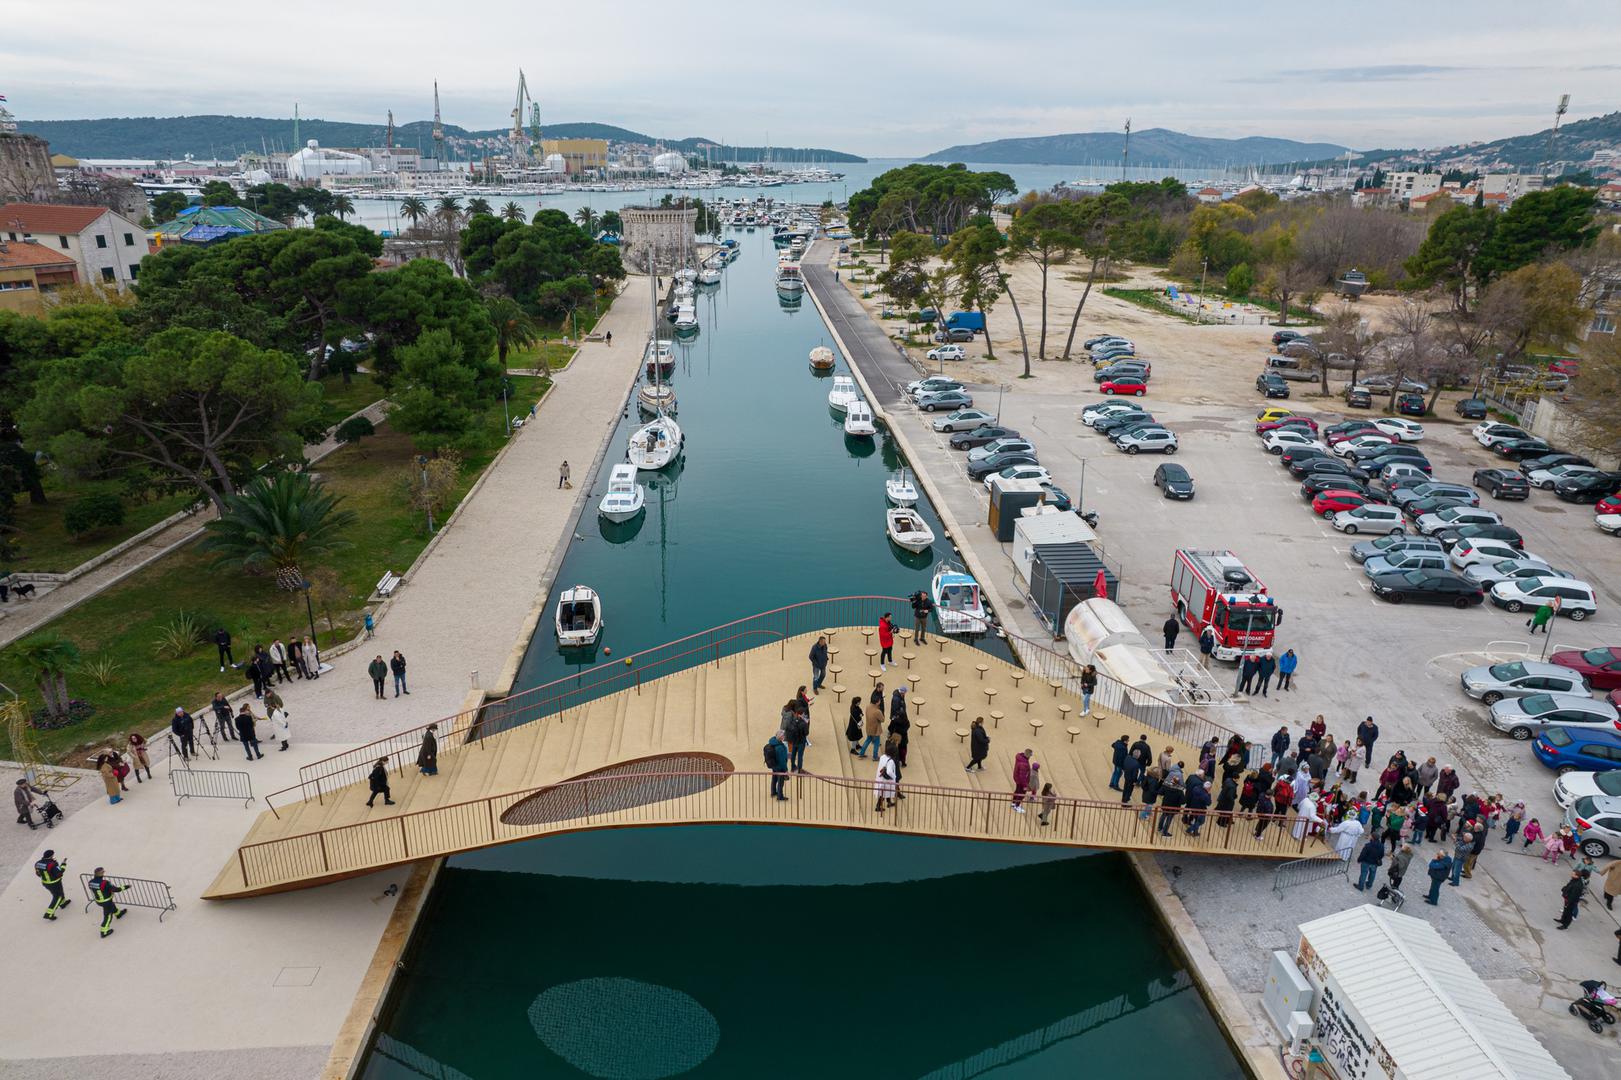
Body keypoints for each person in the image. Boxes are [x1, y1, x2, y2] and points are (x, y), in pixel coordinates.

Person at [87, 867, 126, 939]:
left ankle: (118, 914)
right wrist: (125, 887)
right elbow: (116, 889)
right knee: (108, 916)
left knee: (112, 906)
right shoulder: (105, 882)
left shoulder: (90, 882)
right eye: (103, 872)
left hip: (99, 901)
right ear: (101, 874)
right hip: (106, 901)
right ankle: (104, 931)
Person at [35, 849, 68, 920]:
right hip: (55, 883)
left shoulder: (38, 863)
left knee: (58, 893)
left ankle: (62, 903)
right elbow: (59, 873)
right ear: (51, 855)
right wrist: (63, 864)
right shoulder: (52, 864)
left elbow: (38, 874)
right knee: (57, 896)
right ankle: (49, 913)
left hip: (45, 883)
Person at [858, 690, 884, 760]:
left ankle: (861, 754)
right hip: (875, 730)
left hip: (869, 727)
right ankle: (875, 756)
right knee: (876, 743)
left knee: (867, 740)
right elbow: (883, 720)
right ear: (876, 703)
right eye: (879, 701)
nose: (880, 702)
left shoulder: (868, 706)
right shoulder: (877, 711)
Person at [784, 702, 809, 774]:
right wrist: (806, 723)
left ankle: (792, 767)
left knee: (793, 755)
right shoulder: (803, 723)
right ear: (801, 714)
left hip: (794, 741)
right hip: (801, 742)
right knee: (800, 756)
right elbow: (806, 733)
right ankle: (800, 770)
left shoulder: (793, 720)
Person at [888, 688, 910, 766]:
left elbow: (890, 727)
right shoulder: (905, 721)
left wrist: (891, 732)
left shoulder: (895, 720)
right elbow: (908, 725)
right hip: (903, 738)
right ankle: (903, 762)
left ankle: (896, 761)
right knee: (903, 750)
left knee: (896, 749)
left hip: (896, 737)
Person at [873, 745, 897, 812]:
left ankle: (889, 802)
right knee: (883, 793)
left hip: (880, 777)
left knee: (885, 791)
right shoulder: (891, 761)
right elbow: (889, 771)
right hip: (886, 780)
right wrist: (894, 776)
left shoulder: (883, 756)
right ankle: (878, 806)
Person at [765, 732, 789, 800]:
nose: (784, 736)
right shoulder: (780, 747)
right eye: (783, 735)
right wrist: (785, 769)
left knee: (774, 778)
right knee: (780, 781)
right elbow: (782, 761)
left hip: (774, 765)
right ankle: (780, 796)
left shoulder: (772, 742)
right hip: (779, 767)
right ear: (781, 737)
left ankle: (773, 792)